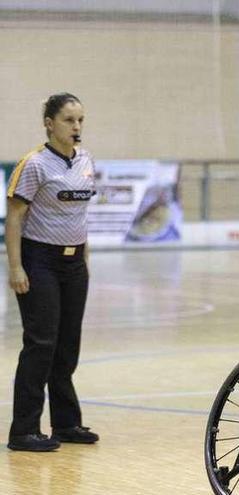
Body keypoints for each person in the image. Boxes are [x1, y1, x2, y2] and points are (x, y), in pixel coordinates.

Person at [5, 93, 99, 452]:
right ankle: (24, 430)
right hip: (39, 260)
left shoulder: (86, 159)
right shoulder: (34, 164)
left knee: (67, 345)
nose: (76, 127)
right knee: (41, 343)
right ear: (49, 123)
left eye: (80, 121)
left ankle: (66, 422)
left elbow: (80, 216)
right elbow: (14, 216)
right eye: (68, 120)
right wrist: (15, 266)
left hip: (74, 264)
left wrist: (84, 259)